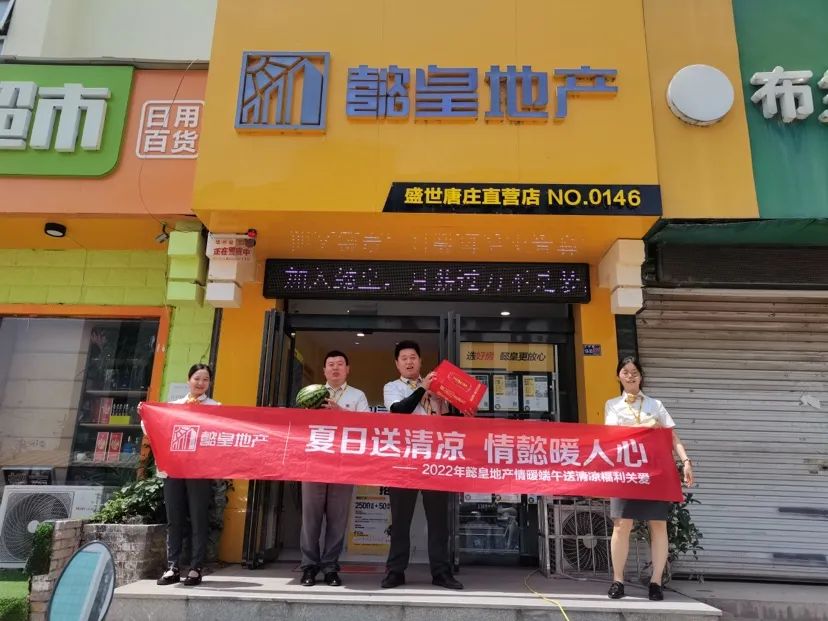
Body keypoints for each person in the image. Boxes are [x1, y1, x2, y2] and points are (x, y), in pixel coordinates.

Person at [604, 356, 694, 601]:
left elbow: (672, 437)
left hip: (655, 471)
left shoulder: (656, 404)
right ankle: (618, 581)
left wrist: (686, 461)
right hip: (625, 472)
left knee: (658, 524)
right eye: (625, 371)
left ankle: (656, 582)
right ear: (618, 376)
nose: (630, 376)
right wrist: (647, 428)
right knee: (622, 525)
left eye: (634, 371)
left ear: (641, 376)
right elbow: (612, 434)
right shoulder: (612, 405)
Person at [380, 340, 463, 590]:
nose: (409, 362)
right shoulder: (392, 387)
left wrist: (440, 403)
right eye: (404, 358)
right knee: (400, 520)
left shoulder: (437, 388)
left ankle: (441, 572)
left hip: (435, 460)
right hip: (403, 460)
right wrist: (422, 388)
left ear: (420, 361)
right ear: (397, 364)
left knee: (438, 521)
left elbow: (450, 424)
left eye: (413, 357)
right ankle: (395, 571)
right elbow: (399, 411)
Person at [300, 350, 369, 588]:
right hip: (314, 462)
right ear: (324, 370)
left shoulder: (357, 395)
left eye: (340, 364)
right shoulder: (311, 393)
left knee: (338, 520)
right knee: (310, 518)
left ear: (348, 369)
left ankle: (330, 567)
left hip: (344, 464)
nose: (335, 368)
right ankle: (309, 566)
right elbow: (299, 426)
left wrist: (341, 413)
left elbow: (368, 425)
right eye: (331, 364)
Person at [154, 363, 220, 587]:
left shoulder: (216, 408)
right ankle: (172, 567)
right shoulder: (174, 407)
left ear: (210, 383)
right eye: (197, 378)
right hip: (174, 469)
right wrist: (145, 414)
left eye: (205, 379)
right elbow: (154, 429)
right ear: (189, 380)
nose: (201, 383)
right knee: (174, 519)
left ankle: (195, 567)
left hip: (200, 470)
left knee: (199, 518)